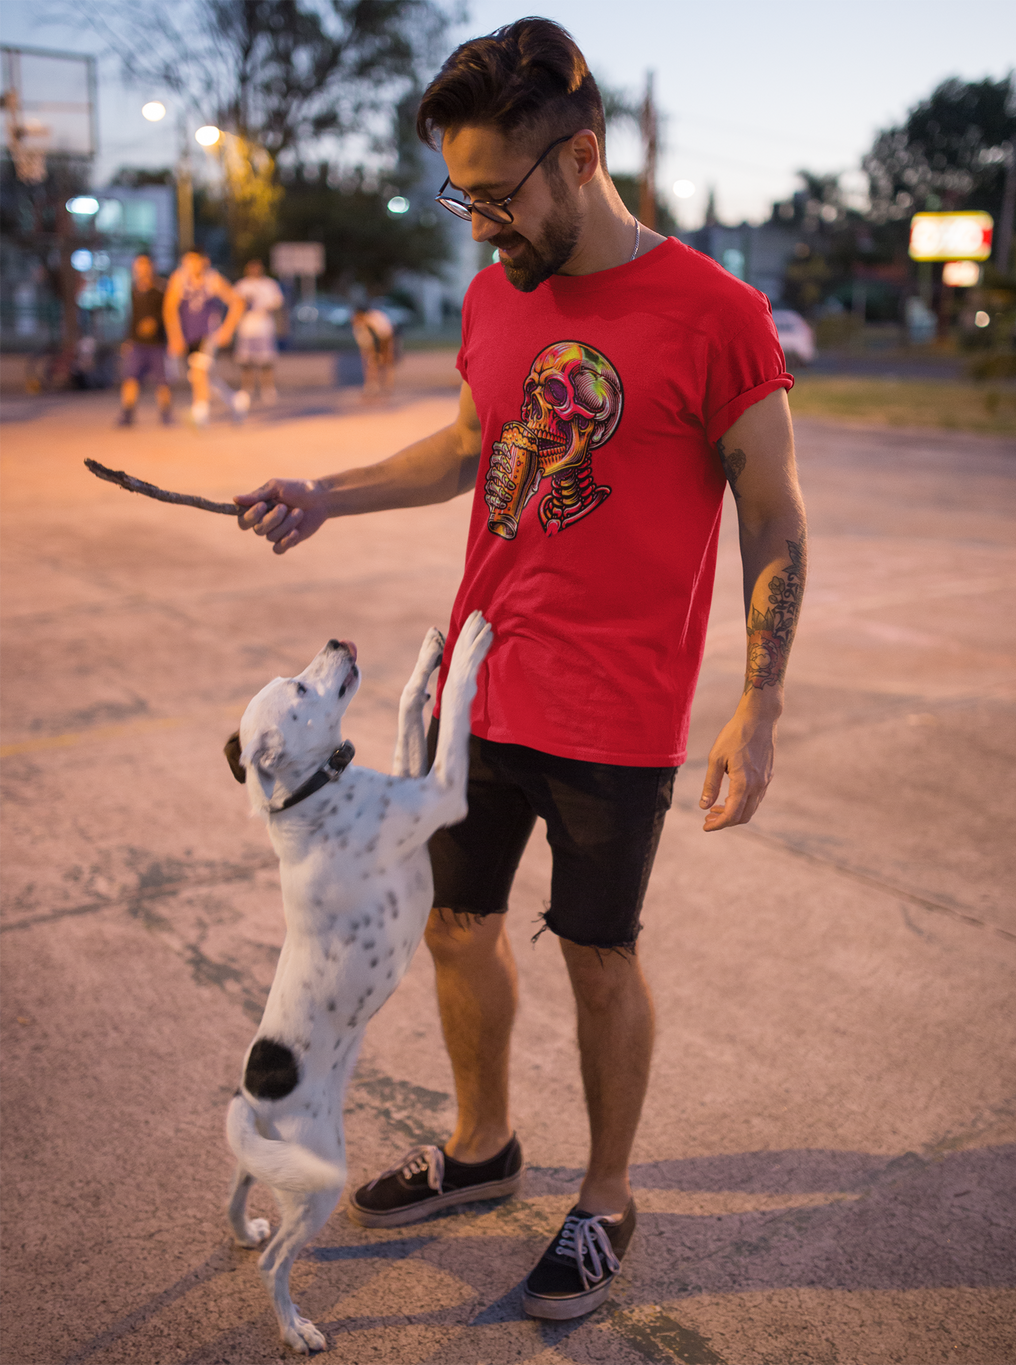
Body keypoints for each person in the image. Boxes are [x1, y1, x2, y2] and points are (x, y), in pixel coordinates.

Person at [234, 18, 806, 1323]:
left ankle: (604, 1197)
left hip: (620, 713)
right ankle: (483, 1146)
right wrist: (322, 492)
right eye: (463, 195)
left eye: (495, 195)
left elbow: (774, 515)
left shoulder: (717, 314)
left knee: (598, 956)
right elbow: (463, 444)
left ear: (583, 158)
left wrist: (758, 704)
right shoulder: (500, 295)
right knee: (455, 924)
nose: (477, 227)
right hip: (478, 694)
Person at [163, 250, 248, 426]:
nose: (191, 265)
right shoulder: (179, 279)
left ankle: (199, 413)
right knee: (200, 377)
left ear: (205, 261)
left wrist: (227, 329)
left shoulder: (213, 279)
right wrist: (175, 336)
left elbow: (238, 302)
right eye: (187, 262)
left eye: (195, 261)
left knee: (198, 371)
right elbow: (169, 309)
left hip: (208, 335)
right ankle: (236, 401)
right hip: (188, 335)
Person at [118, 254, 172, 426]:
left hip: (157, 344)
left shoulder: (161, 289)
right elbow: (132, 317)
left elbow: (168, 314)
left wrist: (156, 322)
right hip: (137, 343)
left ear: (151, 267)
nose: (141, 269)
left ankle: (166, 414)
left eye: (144, 265)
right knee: (130, 379)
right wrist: (128, 340)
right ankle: (127, 414)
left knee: (162, 381)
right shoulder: (134, 289)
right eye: (138, 266)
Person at [234, 258, 285, 404]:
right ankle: (247, 390)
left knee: (266, 361)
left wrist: (265, 307)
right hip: (246, 329)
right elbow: (234, 304)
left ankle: (268, 389)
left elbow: (277, 303)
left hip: (264, 328)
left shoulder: (269, 284)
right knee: (246, 362)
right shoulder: (242, 285)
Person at [350, 304, 396, 398]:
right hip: (372, 342)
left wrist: (377, 353)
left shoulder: (374, 319)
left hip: (385, 338)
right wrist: (366, 353)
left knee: (385, 362)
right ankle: (372, 386)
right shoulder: (358, 325)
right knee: (370, 363)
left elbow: (381, 336)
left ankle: (387, 386)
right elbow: (362, 342)